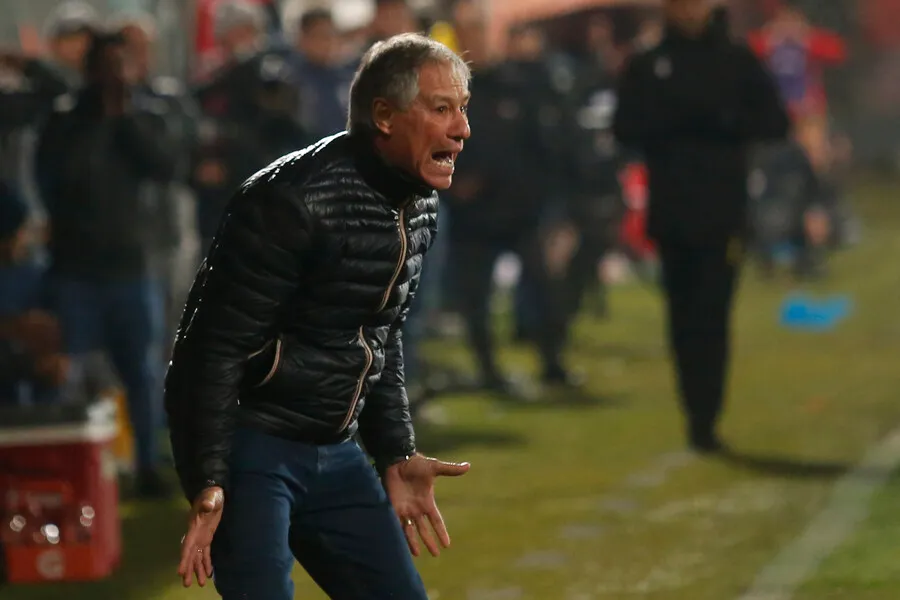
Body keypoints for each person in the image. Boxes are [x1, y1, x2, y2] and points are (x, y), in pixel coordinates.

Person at [166, 34, 471, 599]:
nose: (462, 129)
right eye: (441, 108)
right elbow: (211, 348)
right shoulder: (288, 200)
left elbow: (381, 333)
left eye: (462, 108)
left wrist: (395, 450)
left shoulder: (418, 203)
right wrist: (207, 477)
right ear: (385, 116)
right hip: (256, 448)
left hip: (336, 448)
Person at [613, 0, 789, 452]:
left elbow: (775, 121)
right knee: (681, 316)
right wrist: (670, 124)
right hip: (672, 211)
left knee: (712, 314)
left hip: (722, 211)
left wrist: (724, 122)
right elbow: (624, 127)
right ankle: (695, 411)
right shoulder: (649, 63)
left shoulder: (736, 59)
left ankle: (706, 414)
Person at [35, 32, 177, 495]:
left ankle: (146, 464)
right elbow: (58, 178)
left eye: (121, 65)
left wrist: (124, 119)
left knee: (142, 372)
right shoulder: (65, 119)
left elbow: (164, 165)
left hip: (131, 267)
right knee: (67, 369)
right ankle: (64, 467)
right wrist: (98, 121)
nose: (114, 76)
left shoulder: (146, 114)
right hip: (75, 268)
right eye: (106, 66)